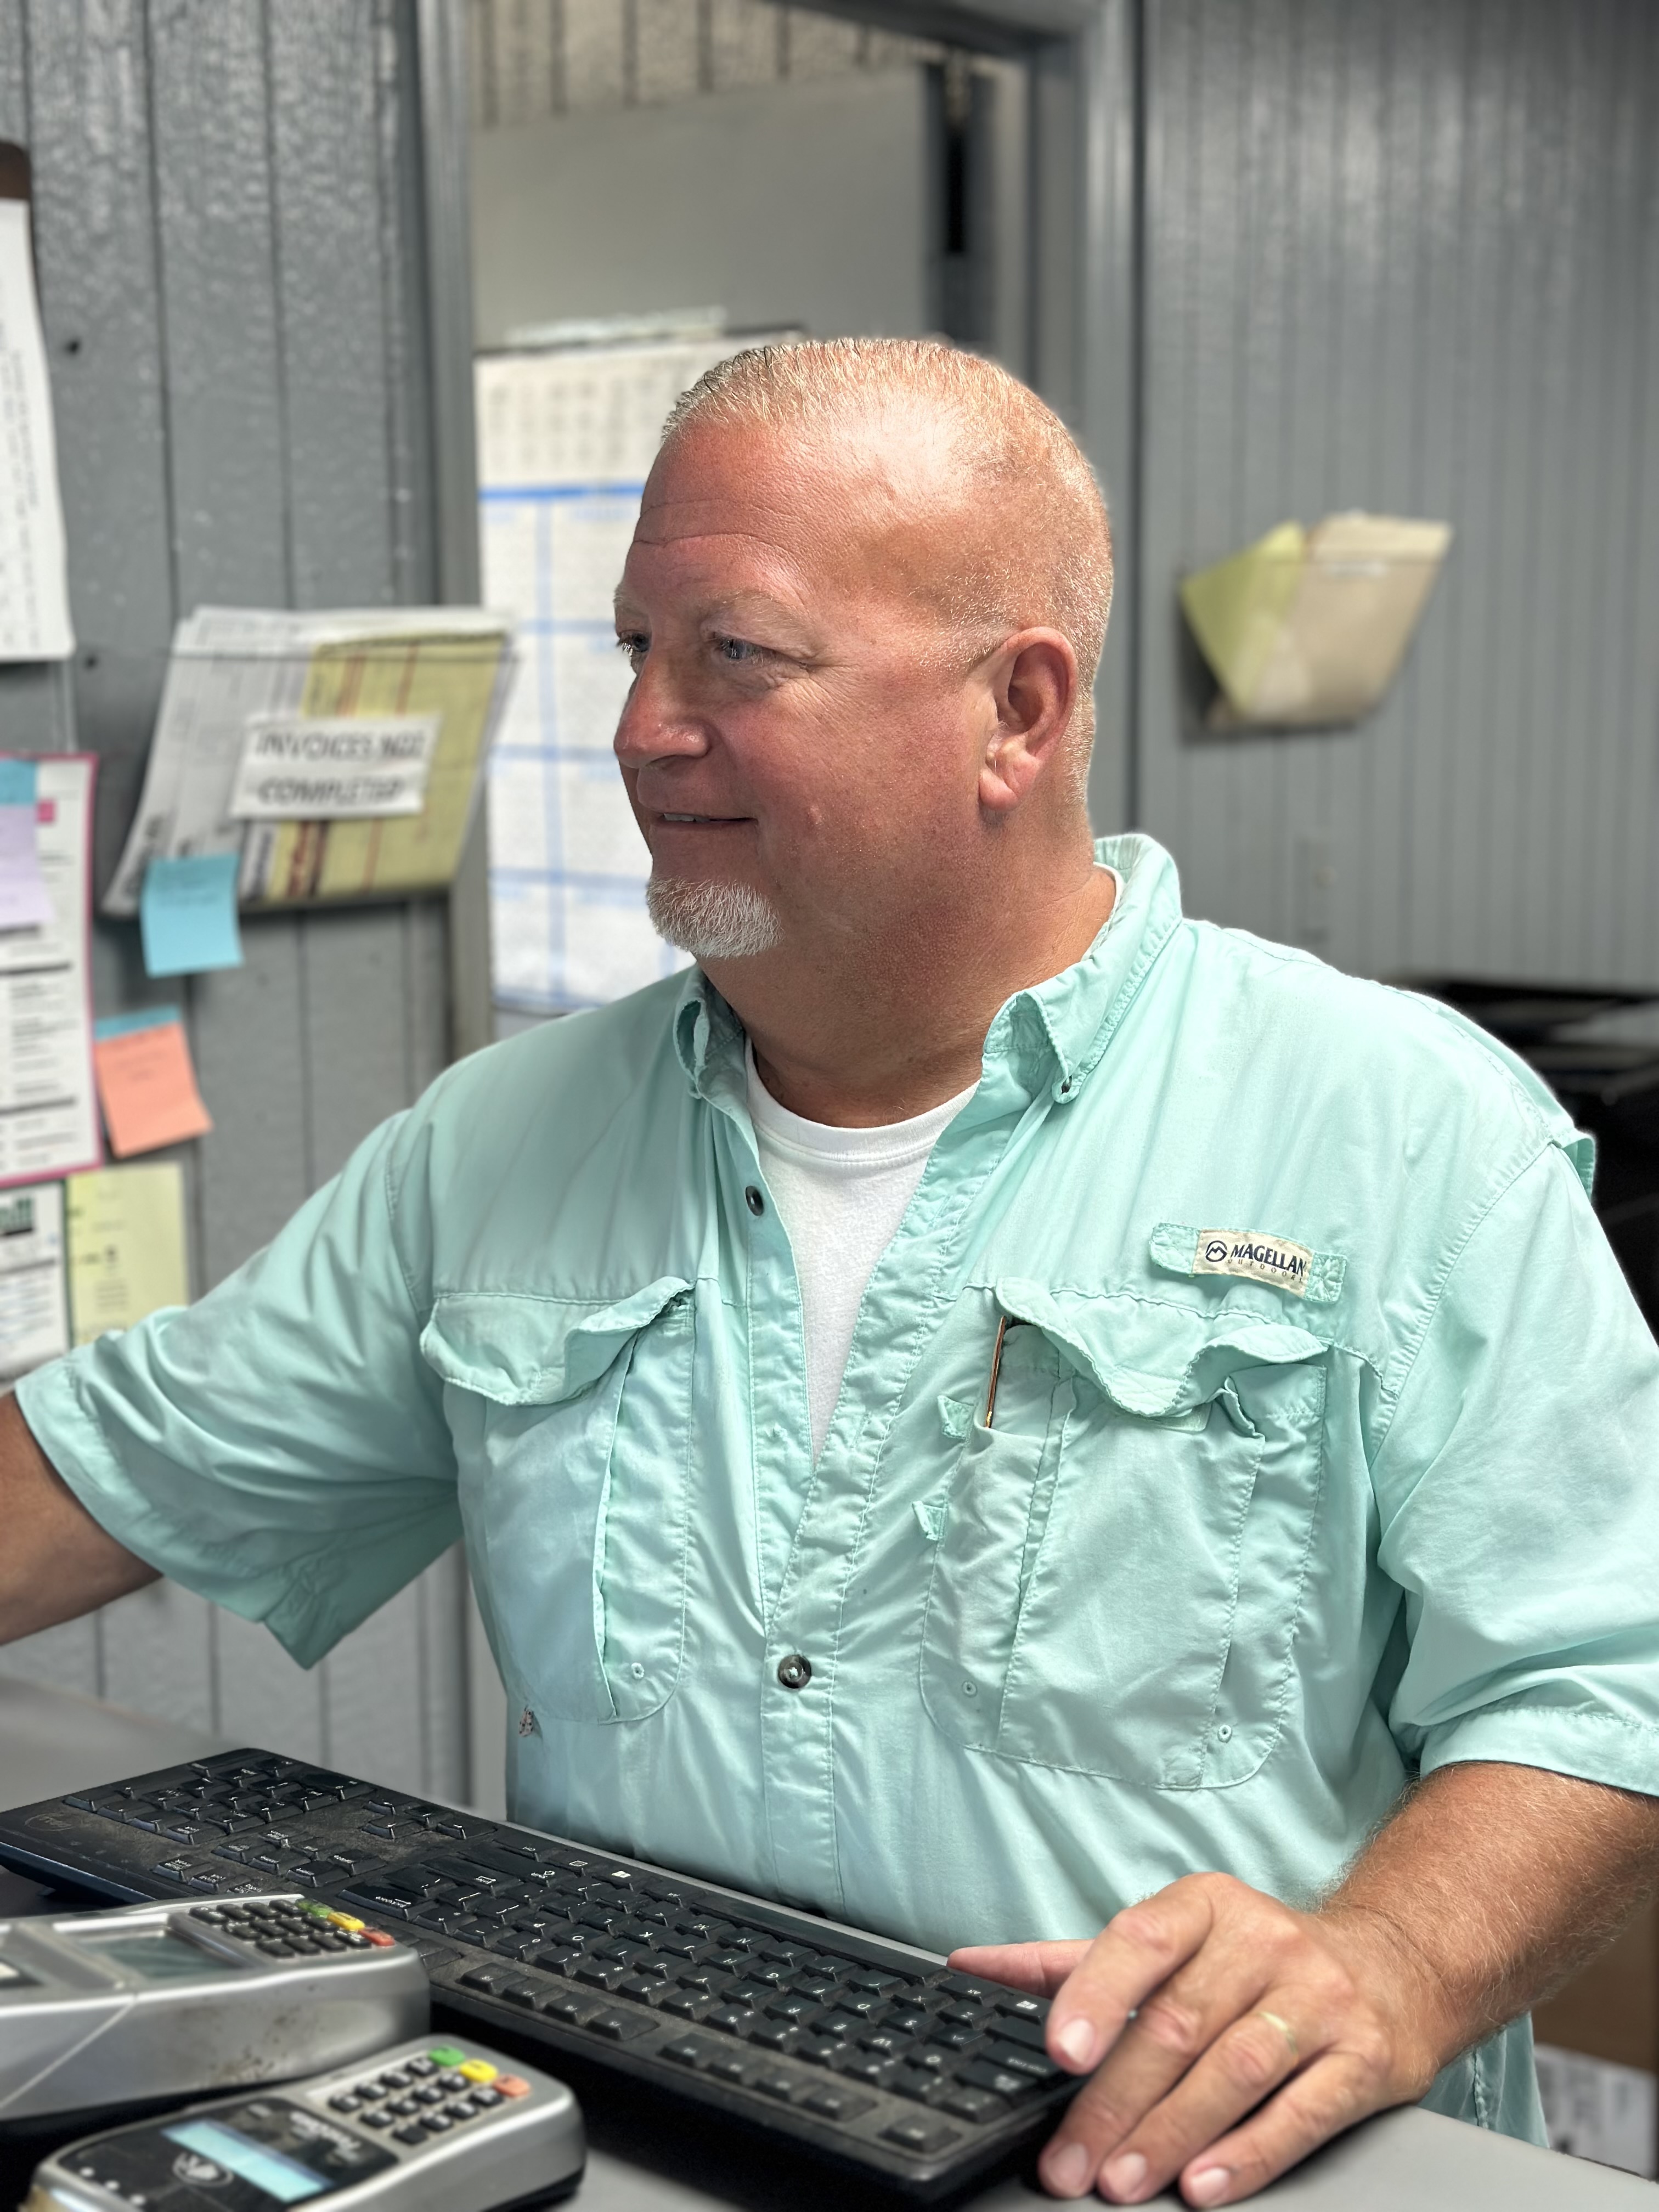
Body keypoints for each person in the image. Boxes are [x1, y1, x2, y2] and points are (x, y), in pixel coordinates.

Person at [3, 339, 1658, 2208]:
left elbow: (1607, 1691)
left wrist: (1386, 1964)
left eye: (738, 657)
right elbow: (100, 1473)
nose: (641, 729)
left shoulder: (1402, 1132)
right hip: (651, 2146)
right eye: (636, 650)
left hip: (1180, 2164)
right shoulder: (501, 1145)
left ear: (1015, 714)